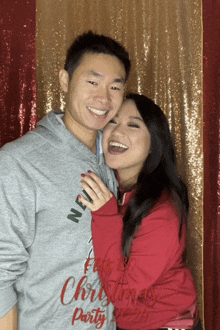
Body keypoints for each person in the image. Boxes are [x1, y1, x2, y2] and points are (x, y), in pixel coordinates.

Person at [0, 31, 130, 329]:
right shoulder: (18, 162)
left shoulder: (114, 159)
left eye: (115, 86)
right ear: (64, 81)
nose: (104, 97)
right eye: (92, 81)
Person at [78, 94, 203, 330]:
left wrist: (105, 216)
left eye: (133, 125)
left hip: (165, 323)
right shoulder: (115, 186)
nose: (117, 132)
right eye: (112, 121)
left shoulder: (163, 212)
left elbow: (123, 295)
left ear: (154, 142)